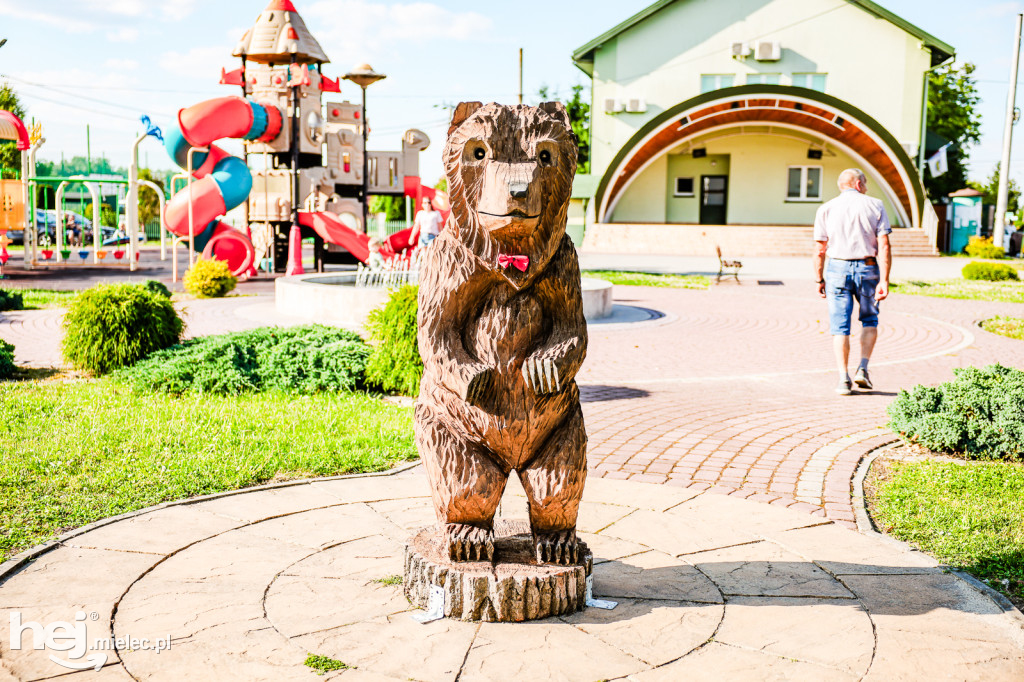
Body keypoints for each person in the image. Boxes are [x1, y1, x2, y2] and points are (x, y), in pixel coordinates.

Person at [813, 168, 891, 396]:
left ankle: (843, 379)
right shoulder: (875, 205)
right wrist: (884, 280)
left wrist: (819, 278)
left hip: (836, 269)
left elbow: (819, 249)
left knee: (840, 327)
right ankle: (863, 369)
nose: (866, 188)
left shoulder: (826, 208)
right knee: (869, 320)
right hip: (868, 269)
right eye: (865, 184)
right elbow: (884, 245)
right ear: (858, 184)